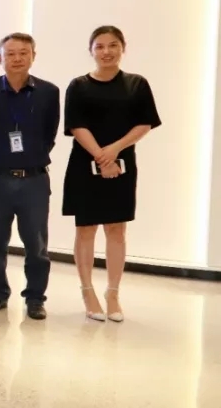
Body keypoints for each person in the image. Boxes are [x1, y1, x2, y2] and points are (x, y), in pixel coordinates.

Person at [62, 25, 161, 322]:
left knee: (117, 228)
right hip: (84, 163)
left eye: (113, 45)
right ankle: (88, 291)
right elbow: (76, 126)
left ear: (123, 48)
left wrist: (114, 150)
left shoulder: (136, 84)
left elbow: (145, 123)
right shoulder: (78, 86)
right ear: (91, 51)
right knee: (86, 228)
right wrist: (100, 155)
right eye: (100, 46)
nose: (106, 51)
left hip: (122, 164)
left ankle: (113, 293)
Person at [0, 33, 60, 321]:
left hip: (34, 179)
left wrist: (30, 156)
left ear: (33, 56)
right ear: (0, 58)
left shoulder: (49, 92)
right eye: (10, 53)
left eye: (23, 52)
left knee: (36, 244)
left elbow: (50, 133)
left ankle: (35, 298)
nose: (17, 58)